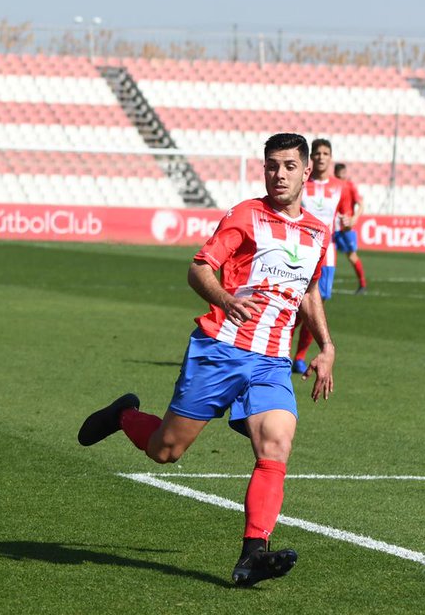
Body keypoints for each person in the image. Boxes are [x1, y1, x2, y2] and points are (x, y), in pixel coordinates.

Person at [77, 133, 335, 588]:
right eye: (272, 165)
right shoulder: (246, 215)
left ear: (306, 171)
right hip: (222, 351)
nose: (279, 174)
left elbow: (309, 291)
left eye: (289, 166)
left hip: (272, 360)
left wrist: (326, 347)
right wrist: (224, 297)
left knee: (276, 444)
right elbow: (199, 266)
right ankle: (124, 415)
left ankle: (253, 555)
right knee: (166, 451)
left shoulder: (317, 231)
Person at [288, 138, 353, 373]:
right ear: (311, 158)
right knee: (293, 305)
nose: (321, 157)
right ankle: (279, 350)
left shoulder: (341, 186)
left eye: (326, 153)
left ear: (330, 157)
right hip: (299, 250)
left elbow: (346, 217)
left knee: (316, 308)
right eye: (317, 153)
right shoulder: (302, 182)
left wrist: (347, 223)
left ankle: (299, 357)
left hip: (328, 255)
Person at [332, 162, 368, 295]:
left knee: (352, 256)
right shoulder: (331, 185)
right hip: (332, 225)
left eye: (343, 173)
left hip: (346, 226)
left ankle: (363, 284)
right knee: (327, 255)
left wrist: (354, 218)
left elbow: (361, 204)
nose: (341, 175)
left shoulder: (350, 186)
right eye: (339, 173)